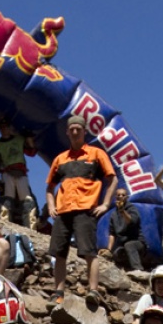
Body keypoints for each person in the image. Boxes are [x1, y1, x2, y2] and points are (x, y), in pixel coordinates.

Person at [45, 114, 117, 308]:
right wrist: (51, 206)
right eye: (72, 129)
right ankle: (58, 292)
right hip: (64, 210)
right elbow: (49, 187)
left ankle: (93, 290)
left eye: (79, 129)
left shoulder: (96, 153)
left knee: (89, 251)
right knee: (59, 253)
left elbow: (113, 179)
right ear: (68, 132)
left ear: (84, 131)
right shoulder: (60, 158)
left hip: (86, 209)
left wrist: (106, 204)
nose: (75, 132)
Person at [0, 117, 39, 228]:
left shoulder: (19, 139)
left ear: (10, 128)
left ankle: (31, 226)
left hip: (21, 171)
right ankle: (5, 224)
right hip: (6, 173)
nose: (4, 129)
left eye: (6, 127)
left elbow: (31, 152)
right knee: (6, 199)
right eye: (1, 127)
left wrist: (29, 139)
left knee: (27, 199)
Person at [104, 188, 146, 271]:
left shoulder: (132, 208)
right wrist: (108, 250)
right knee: (116, 254)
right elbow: (112, 234)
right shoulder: (113, 214)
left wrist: (122, 211)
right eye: (118, 195)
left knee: (129, 245)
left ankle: (138, 270)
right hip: (122, 245)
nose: (120, 197)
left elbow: (132, 221)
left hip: (137, 243)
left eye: (123, 195)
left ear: (126, 197)